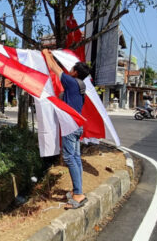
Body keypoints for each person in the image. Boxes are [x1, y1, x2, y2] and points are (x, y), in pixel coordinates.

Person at [42, 49, 90, 210]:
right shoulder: (81, 84)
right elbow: (57, 67)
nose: (69, 70)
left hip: (71, 126)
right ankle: (78, 190)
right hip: (77, 125)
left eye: (72, 69)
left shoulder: (71, 82)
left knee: (70, 159)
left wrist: (46, 54)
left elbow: (56, 69)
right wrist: (51, 55)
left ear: (75, 72)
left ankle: (78, 194)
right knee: (75, 158)